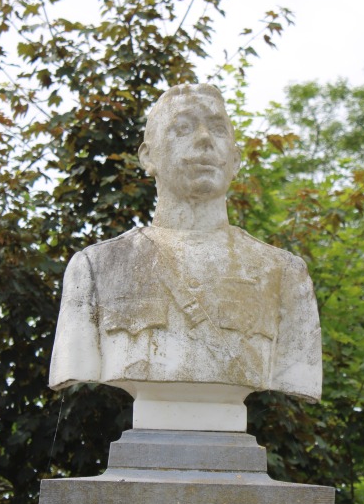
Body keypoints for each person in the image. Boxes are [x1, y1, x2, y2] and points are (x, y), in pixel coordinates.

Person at [48, 84, 321, 431]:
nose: (206, 139)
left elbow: (297, 368)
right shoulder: (94, 268)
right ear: (148, 156)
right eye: (183, 127)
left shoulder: (284, 274)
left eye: (219, 129)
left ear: (235, 160)